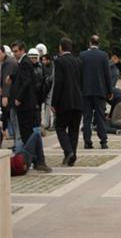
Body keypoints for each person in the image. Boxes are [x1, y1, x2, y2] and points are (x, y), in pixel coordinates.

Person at [52, 37, 83, 166]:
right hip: (78, 101)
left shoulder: (59, 62)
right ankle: (72, 157)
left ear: (61, 47)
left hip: (65, 102)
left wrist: (54, 102)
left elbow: (58, 83)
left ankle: (68, 151)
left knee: (60, 127)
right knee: (74, 130)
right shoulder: (79, 61)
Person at [80, 35, 112, 149]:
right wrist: (110, 90)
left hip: (86, 91)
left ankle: (87, 141)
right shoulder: (103, 56)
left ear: (90, 43)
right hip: (100, 91)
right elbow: (107, 75)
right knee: (100, 116)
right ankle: (103, 141)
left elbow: (80, 74)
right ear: (98, 43)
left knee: (87, 117)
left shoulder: (82, 55)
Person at [10, 41, 38, 146]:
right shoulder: (23, 62)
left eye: (16, 51)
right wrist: (12, 77)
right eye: (13, 52)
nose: (14, 54)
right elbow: (21, 77)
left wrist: (19, 98)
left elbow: (26, 82)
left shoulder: (25, 62)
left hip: (25, 104)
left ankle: (31, 157)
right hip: (25, 104)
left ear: (22, 50)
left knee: (26, 132)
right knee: (26, 132)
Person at [0, 44, 17, 143]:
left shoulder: (8, 63)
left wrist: (5, 95)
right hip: (9, 94)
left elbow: (7, 80)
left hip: (10, 96)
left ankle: (16, 143)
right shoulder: (6, 62)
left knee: (11, 119)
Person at [41, 54, 54, 130]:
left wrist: (46, 79)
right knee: (47, 107)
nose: (43, 61)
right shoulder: (44, 66)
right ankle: (48, 124)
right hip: (46, 89)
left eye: (44, 60)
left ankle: (51, 124)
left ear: (48, 60)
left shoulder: (53, 66)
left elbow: (51, 77)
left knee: (51, 108)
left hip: (51, 89)